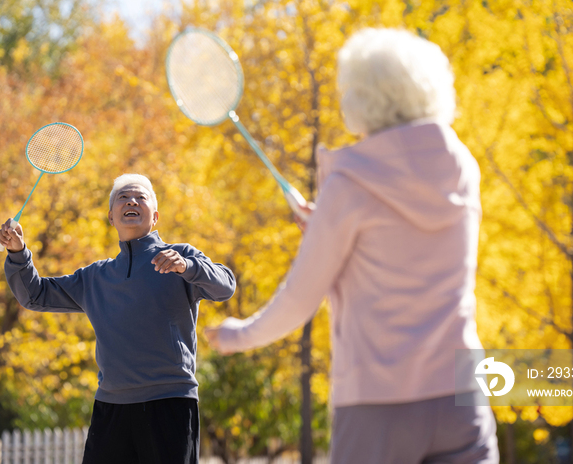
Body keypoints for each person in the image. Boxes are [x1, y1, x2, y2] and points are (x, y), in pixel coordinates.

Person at [206, 28, 499, 463]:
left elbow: (299, 301)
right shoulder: (464, 168)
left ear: (362, 98)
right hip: (461, 397)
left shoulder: (348, 187)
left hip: (377, 408)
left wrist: (238, 335)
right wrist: (328, 222)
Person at [0, 173, 236, 464]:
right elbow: (34, 295)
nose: (131, 201)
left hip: (170, 402)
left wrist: (188, 266)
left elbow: (225, 286)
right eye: (123, 197)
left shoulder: (181, 257)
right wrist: (18, 253)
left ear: (155, 216)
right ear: (111, 217)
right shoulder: (95, 277)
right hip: (111, 407)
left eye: (140, 197)